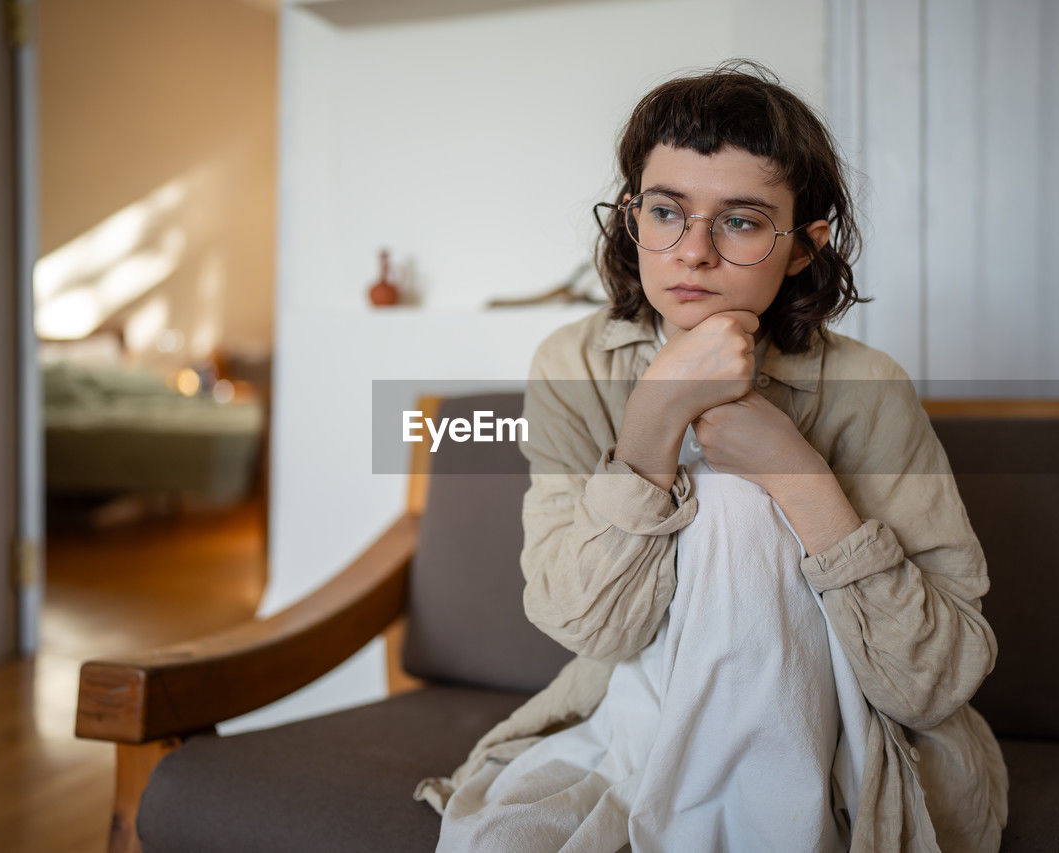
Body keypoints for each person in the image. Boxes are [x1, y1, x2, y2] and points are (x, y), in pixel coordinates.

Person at [415, 59, 1008, 852]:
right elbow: (585, 623)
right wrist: (654, 420)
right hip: (631, 718)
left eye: (740, 220)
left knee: (737, 496)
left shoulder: (870, 386)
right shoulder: (575, 363)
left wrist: (799, 476)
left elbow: (935, 677)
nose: (691, 252)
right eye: (666, 211)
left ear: (804, 246)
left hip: (830, 738)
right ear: (632, 215)